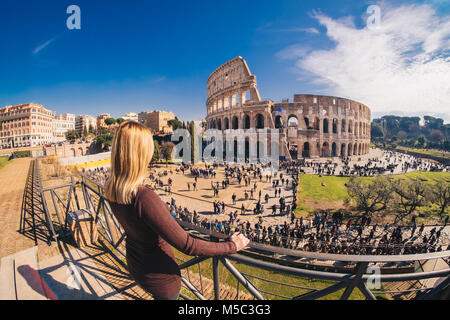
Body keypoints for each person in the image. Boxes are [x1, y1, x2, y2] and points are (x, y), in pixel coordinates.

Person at [105, 121, 250, 300]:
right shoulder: (143, 197)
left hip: (136, 264)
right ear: (141, 153)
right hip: (162, 279)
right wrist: (231, 246)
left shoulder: (111, 188)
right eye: (149, 147)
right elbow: (189, 245)